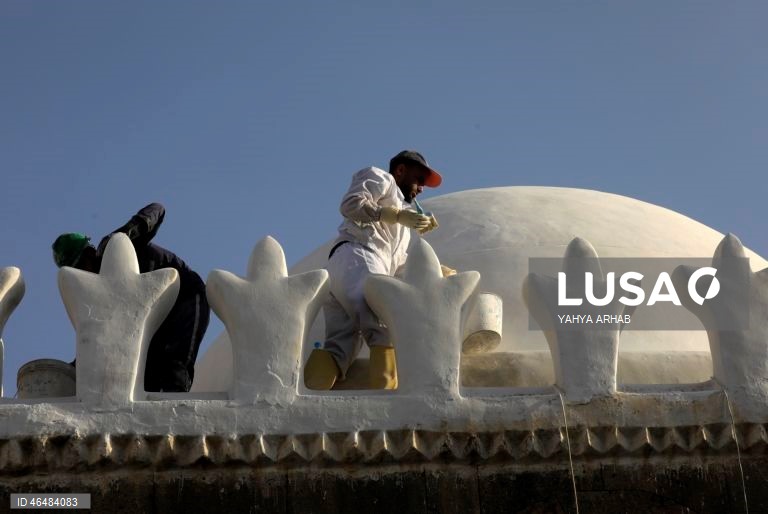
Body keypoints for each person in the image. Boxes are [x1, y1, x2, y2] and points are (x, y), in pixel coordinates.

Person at [304, 150, 447, 391]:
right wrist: (393, 215)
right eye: (419, 179)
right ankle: (387, 398)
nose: (422, 188)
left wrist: (433, 269)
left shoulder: (402, 229)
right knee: (384, 321)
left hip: (348, 269)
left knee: (341, 347)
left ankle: (306, 398)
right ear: (400, 170)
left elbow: (396, 264)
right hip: (359, 257)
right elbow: (351, 204)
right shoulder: (382, 178)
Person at [52, 202, 210, 392]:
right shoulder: (102, 293)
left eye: (80, 266)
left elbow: (158, 209)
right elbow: (98, 337)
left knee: (175, 362)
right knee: (146, 375)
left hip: (186, 298)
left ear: (89, 252)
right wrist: (75, 367)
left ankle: (179, 405)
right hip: (155, 318)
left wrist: (129, 233)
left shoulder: (113, 248)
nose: (82, 274)